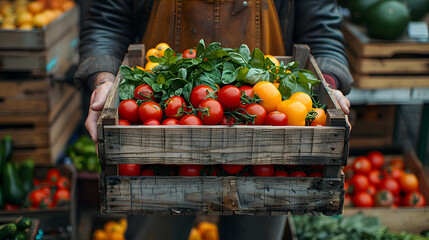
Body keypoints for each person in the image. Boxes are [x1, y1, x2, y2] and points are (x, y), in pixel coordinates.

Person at [74, 1, 352, 239]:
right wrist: (104, 78)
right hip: (157, 141)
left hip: (268, 139)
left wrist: (325, 85)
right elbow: (106, 22)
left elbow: (322, 30)